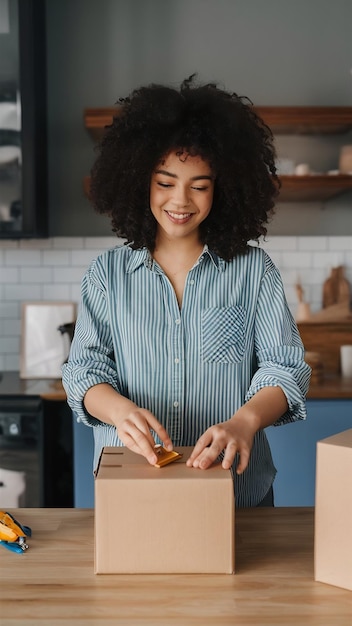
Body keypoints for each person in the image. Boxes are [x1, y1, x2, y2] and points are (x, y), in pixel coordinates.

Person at [62, 76, 311, 507]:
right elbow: (84, 370)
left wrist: (244, 422)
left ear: (223, 189)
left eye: (199, 185)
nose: (181, 200)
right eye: (165, 182)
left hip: (237, 493)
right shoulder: (107, 274)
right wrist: (119, 411)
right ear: (140, 179)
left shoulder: (253, 272)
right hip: (134, 490)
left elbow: (284, 369)